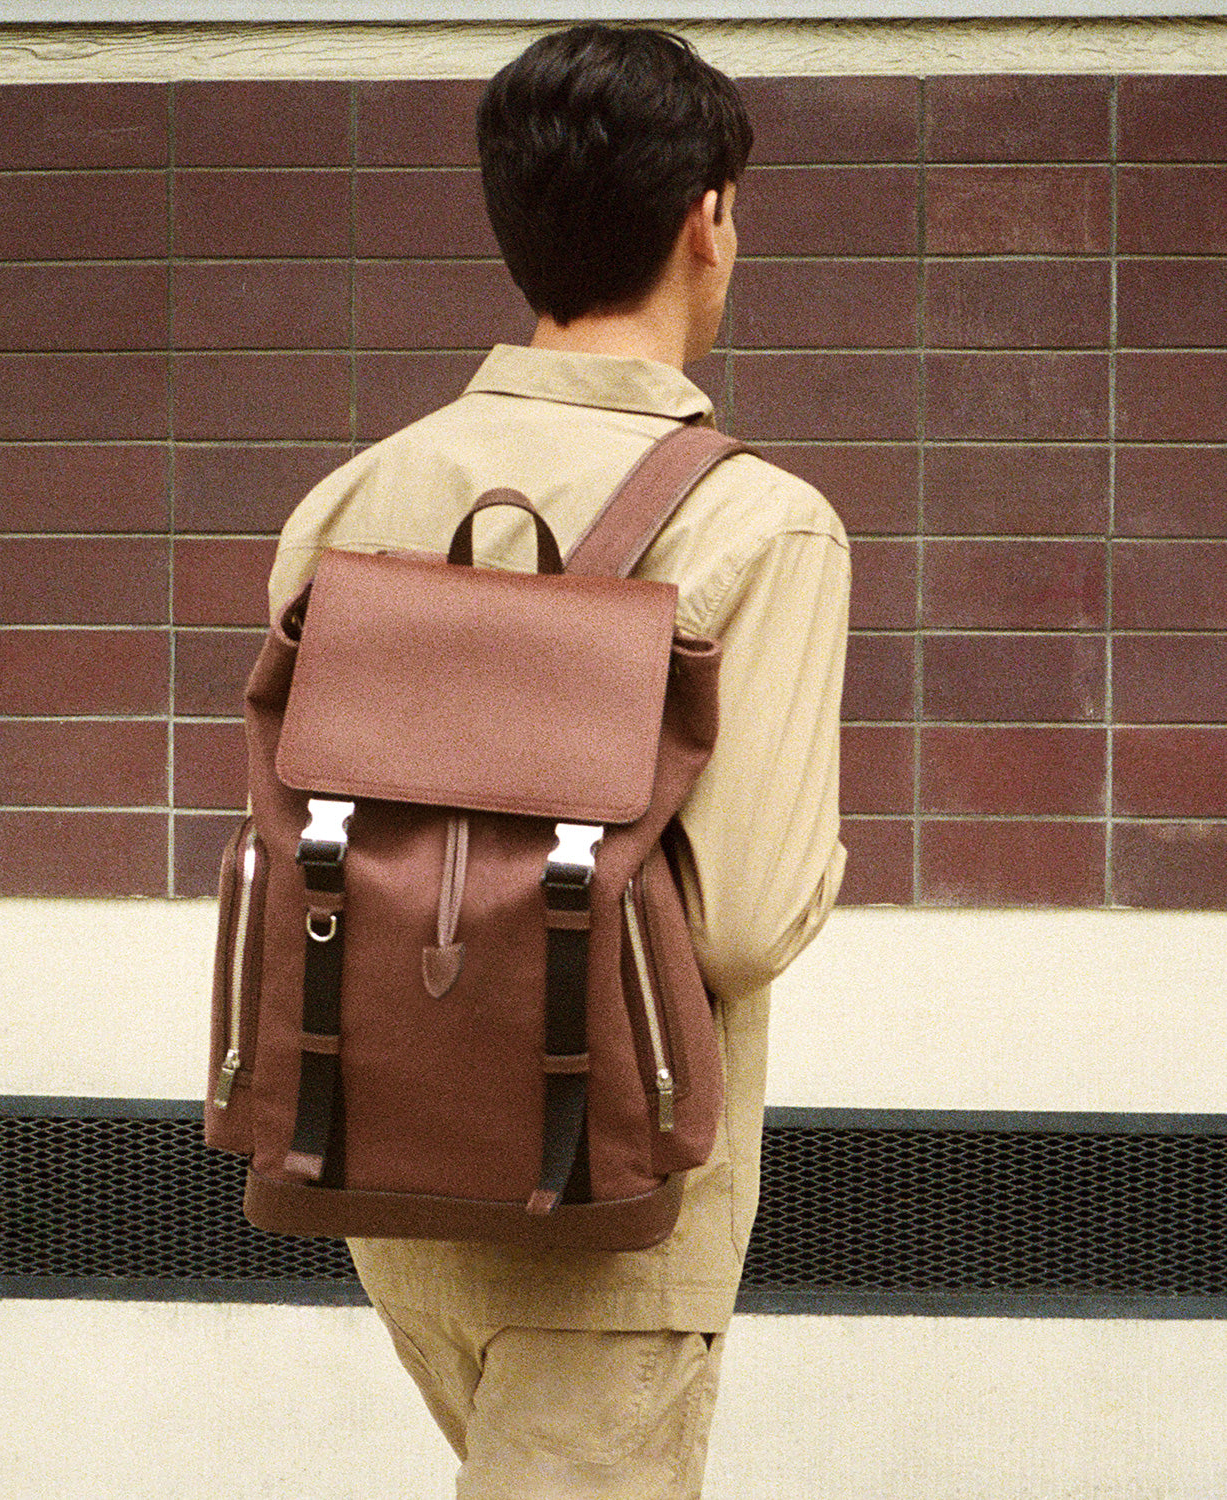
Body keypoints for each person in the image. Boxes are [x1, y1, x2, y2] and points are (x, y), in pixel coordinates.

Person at [267, 24, 849, 1498]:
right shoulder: (760, 524)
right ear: (707, 219)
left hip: (386, 1158)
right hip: (612, 1199)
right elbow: (742, 921)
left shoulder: (354, 499)